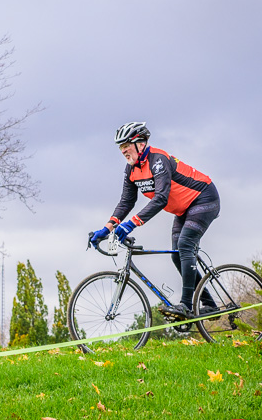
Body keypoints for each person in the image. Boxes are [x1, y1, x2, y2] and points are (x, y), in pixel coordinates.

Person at [89, 121, 220, 320]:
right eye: (121, 147)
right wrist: (106, 229)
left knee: (185, 245)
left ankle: (186, 306)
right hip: (183, 209)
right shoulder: (131, 170)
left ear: (140, 144)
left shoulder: (158, 160)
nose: (123, 150)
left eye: (126, 145)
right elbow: (126, 201)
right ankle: (209, 304)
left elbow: (161, 198)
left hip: (204, 198)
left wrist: (131, 224)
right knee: (177, 255)